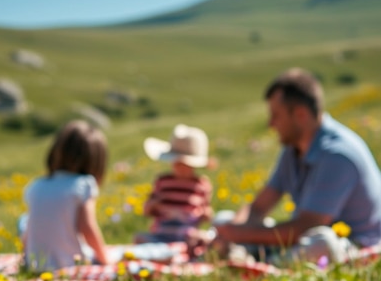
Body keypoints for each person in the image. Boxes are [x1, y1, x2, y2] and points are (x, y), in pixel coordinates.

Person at [214, 68, 381, 264]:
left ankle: (262, 260)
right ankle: (262, 258)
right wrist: (229, 231)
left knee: (322, 243)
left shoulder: (338, 155)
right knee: (223, 219)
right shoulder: (293, 149)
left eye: (276, 116)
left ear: (300, 114)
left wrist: (239, 235)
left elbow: (306, 226)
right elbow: (259, 207)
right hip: (302, 240)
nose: (271, 124)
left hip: (351, 244)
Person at [22, 119, 109, 271]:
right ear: (96, 161)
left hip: (36, 264)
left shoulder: (36, 185)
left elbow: (29, 231)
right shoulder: (85, 184)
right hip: (70, 263)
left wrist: (26, 258)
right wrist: (105, 259)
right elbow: (87, 227)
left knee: (21, 221)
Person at [135, 124, 214, 257]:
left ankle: (178, 252)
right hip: (161, 233)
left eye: (186, 164)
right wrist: (154, 204)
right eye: (177, 163)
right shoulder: (162, 181)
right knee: (139, 238)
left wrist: (205, 214)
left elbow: (206, 213)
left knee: (204, 238)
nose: (180, 168)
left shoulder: (202, 185)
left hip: (187, 235)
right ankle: (166, 253)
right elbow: (147, 210)